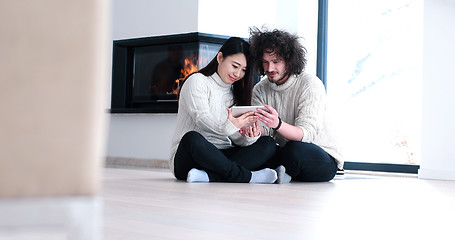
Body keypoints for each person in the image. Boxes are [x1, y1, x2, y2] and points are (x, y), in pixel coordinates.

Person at [169, 37, 278, 184]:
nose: (238, 74)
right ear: (220, 57)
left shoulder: (235, 93)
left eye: (243, 70)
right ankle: (247, 176)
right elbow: (202, 120)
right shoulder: (197, 81)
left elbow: (233, 136)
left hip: (222, 157)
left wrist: (248, 137)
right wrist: (231, 125)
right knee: (192, 138)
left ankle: (209, 176)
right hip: (192, 157)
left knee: (268, 143)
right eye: (235, 66)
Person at [248, 27, 344, 183]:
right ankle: (279, 173)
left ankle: (277, 172)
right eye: (265, 62)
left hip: (320, 156)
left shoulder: (309, 84)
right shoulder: (260, 89)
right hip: (286, 152)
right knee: (264, 146)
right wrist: (251, 130)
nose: (270, 68)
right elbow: (266, 134)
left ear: (289, 60)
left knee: (294, 150)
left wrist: (277, 124)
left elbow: (306, 135)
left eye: (276, 62)